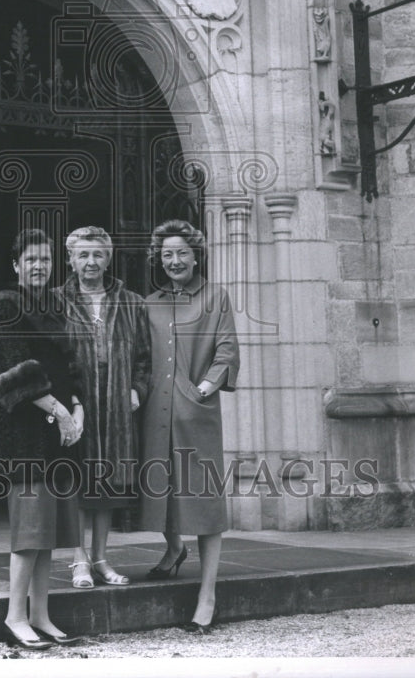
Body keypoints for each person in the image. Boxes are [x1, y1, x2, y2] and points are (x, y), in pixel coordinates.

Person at [0, 229, 83, 650]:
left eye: (45, 259)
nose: (39, 266)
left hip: (57, 434)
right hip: (25, 435)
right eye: (31, 260)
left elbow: (69, 366)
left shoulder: (53, 309)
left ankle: (41, 614)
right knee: (29, 532)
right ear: (16, 266)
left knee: (50, 531)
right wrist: (60, 412)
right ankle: (15, 616)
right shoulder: (7, 308)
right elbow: (15, 373)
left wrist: (77, 410)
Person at [140, 219, 240, 634]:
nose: (175, 260)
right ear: (158, 260)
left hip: (196, 412)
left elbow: (227, 350)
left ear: (196, 254)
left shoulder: (216, 297)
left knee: (203, 501)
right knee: (159, 490)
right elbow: (141, 358)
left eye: (182, 252)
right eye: (167, 254)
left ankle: (207, 595)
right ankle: (173, 550)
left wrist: (202, 389)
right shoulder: (149, 303)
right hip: (154, 413)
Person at [55, 226, 151, 588]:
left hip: (115, 406)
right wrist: (67, 402)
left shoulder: (132, 302)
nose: (90, 261)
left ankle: (101, 559)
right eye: (83, 254)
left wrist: (137, 389)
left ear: (108, 258)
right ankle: (79, 561)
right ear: (70, 259)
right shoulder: (55, 301)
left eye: (98, 254)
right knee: (78, 481)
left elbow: (144, 356)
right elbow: (53, 357)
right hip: (76, 405)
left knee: (108, 485)